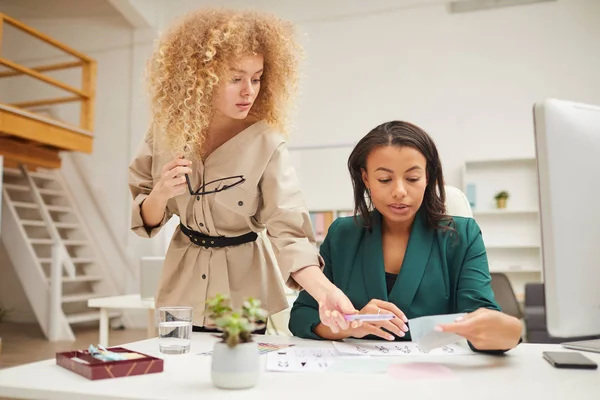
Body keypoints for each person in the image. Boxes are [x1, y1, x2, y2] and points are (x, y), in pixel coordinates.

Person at [128, 8, 356, 334]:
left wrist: (325, 292)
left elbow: (288, 232)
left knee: (236, 377)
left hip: (245, 293)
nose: (249, 90)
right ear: (201, 76)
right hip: (180, 290)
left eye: (257, 77)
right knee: (176, 375)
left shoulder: (267, 143)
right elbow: (145, 220)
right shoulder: (165, 133)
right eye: (235, 78)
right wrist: (161, 193)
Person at [289, 121, 523, 352]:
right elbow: (302, 316)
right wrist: (351, 325)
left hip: (434, 377)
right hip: (359, 378)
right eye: (384, 179)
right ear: (366, 178)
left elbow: (483, 318)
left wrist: (508, 330)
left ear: (427, 177)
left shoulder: (462, 235)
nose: (399, 191)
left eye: (412, 179)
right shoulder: (343, 233)